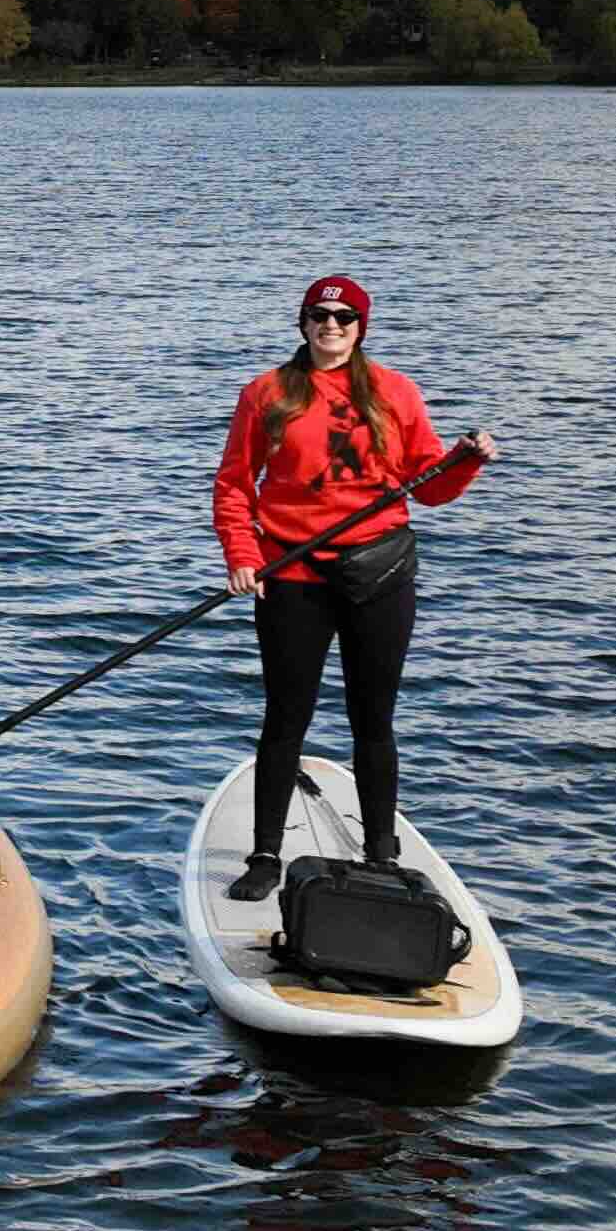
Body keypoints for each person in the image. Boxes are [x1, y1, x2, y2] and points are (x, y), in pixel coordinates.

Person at [213, 274, 496, 898]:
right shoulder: (265, 394)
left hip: (380, 572)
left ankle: (381, 853)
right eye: (320, 316)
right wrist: (242, 552)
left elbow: (428, 486)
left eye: (344, 318)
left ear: (361, 327)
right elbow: (235, 484)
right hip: (293, 572)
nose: (331, 327)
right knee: (286, 716)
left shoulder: (395, 393)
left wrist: (465, 460)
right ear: (303, 323)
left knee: (374, 718)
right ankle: (265, 855)